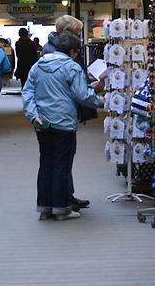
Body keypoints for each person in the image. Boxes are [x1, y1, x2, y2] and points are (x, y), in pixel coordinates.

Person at [22, 32, 99, 221]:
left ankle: (44, 208)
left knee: (46, 164)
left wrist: (33, 115)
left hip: (42, 122)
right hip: (64, 122)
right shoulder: (72, 67)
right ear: (73, 51)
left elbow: (27, 92)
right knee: (62, 165)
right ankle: (61, 209)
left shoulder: (38, 65)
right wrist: (101, 99)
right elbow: (82, 95)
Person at [40, 14, 92, 211]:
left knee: (51, 161)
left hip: (47, 115)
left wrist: (33, 113)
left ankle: (53, 202)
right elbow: (74, 90)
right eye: (77, 33)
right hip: (61, 115)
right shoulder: (62, 57)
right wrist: (97, 98)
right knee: (62, 160)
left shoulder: (44, 59)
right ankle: (61, 203)